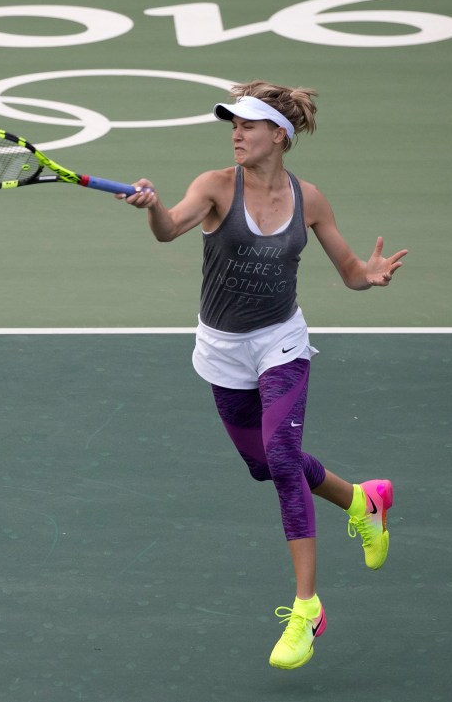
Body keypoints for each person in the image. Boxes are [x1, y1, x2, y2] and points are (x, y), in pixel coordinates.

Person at [118, 80, 406, 670]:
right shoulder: (216, 187)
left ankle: (307, 608)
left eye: (248, 124)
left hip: (281, 342)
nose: (237, 133)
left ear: (280, 134)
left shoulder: (311, 200)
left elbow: (348, 270)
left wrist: (368, 276)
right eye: (233, 123)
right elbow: (172, 228)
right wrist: (153, 210)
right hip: (222, 350)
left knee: (280, 458)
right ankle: (362, 500)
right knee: (262, 465)